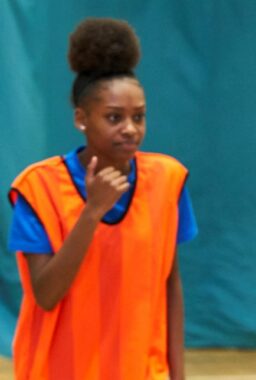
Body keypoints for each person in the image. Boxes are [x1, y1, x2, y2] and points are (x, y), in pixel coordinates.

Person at [6, 18, 196, 379]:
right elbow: (45, 295)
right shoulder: (38, 188)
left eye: (138, 117)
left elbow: (170, 284)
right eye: (114, 117)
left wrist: (177, 374)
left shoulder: (168, 179)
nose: (130, 128)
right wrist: (92, 212)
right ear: (81, 118)